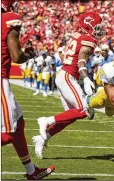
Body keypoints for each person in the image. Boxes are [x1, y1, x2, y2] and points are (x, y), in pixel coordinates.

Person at [33, 12, 106, 159]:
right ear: (89, 26)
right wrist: (85, 78)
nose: (99, 30)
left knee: (70, 117)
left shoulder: (77, 35)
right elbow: (81, 61)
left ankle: (43, 138)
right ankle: (46, 121)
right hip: (68, 76)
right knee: (82, 109)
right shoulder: (88, 40)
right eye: (96, 26)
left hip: (64, 75)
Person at [1, 0, 55, 179]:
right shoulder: (9, 19)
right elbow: (16, 56)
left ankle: (31, 171)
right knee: (8, 134)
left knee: (19, 123)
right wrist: (29, 54)